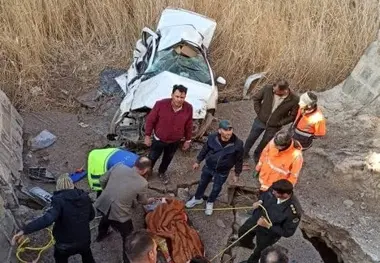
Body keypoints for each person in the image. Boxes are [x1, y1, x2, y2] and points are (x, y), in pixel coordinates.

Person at [12, 174, 95, 263]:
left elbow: (47, 219)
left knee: (60, 258)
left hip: (65, 244)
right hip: (84, 240)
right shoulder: (85, 197)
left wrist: (25, 230)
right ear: (72, 185)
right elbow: (91, 216)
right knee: (87, 257)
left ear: (58, 187)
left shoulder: (58, 201)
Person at [94, 157, 155, 263]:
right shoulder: (142, 183)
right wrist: (150, 200)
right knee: (128, 237)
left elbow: (102, 180)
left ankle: (101, 235)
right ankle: (126, 259)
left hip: (103, 203)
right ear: (145, 170)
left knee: (106, 217)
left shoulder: (119, 166)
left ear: (135, 163)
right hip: (120, 214)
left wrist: (108, 192)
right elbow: (142, 201)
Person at [185, 120, 244, 215]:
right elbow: (205, 149)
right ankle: (197, 198)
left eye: (230, 132)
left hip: (222, 171)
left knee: (217, 188)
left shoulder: (238, 144)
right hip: (209, 167)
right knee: (202, 183)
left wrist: (237, 174)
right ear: (220, 130)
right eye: (226, 132)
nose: (229, 134)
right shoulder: (212, 137)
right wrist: (198, 161)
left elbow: (239, 160)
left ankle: (210, 202)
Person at [238, 179, 301, 263]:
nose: (273, 193)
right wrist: (259, 201)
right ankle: (246, 244)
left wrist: (268, 225)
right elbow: (264, 195)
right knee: (243, 231)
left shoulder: (293, 211)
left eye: (276, 193)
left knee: (260, 251)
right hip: (258, 217)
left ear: (285, 194)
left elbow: (287, 232)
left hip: (269, 233)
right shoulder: (275, 189)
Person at [144, 84, 193, 184]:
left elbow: (189, 125)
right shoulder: (160, 104)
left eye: (182, 97)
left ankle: (162, 172)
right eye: (177, 96)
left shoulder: (188, 108)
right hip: (159, 139)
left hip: (174, 141)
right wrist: (147, 135)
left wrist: (188, 140)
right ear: (172, 95)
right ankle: (147, 172)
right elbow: (150, 120)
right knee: (152, 157)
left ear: (185, 97)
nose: (179, 99)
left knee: (168, 158)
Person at [243, 79, 299, 163]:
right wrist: (259, 113)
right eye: (273, 88)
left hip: (274, 127)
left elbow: (292, 116)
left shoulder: (294, 99)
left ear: (284, 90)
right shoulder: (267, 88)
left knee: (265, 142)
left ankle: (257, 155)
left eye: (276, 91)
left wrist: (279, 123)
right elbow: (256, 99)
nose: (273, 90)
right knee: (251, 138)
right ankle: (243, 154)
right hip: (260, 121)